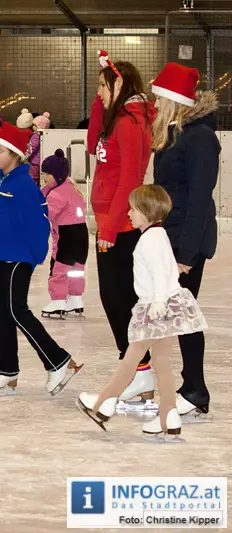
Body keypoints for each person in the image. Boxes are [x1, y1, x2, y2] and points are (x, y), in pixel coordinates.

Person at [77, 185, 207, 439]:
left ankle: (103, 403)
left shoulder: (149, 239)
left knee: (132, 357)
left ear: (146, 212)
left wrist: (157, 301)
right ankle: (168, 415)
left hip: (158, 308)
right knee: (160, 361)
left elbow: (159, 272)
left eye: (134, 209)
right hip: (169, 305)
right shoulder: (158, 235)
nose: (129, 214)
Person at [0, 123, 83, 396]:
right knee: (2, 313)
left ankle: (59, 361)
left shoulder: (24, 184)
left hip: (18, 258)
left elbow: (38, 223)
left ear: (15, 154)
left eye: (0, 150)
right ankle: (6, 369)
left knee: (17, 310)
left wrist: (35, 254)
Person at [151, 63, 219, 423]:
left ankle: (195, 389)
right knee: (178, 316)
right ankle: (189, 386)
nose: (154, 102)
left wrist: (187, 255)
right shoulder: (173, 135)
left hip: (187, 242)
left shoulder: (200, 137)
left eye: (158, 96)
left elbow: (199, 199)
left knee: (184, 316)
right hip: (171, 238)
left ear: (172, 99)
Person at [88, 52, 157, 411]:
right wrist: (103, 102)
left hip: (121, 225)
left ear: (119, 85)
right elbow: (91, 147)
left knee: (120, 300)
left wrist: (111, 228)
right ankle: (136, 373)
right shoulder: (117, 119)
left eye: (102, 86)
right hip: (107, 222)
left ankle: (139, 372)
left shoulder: (131, 124)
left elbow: (130, 179)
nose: (98, 92)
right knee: (112, 299)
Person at [40, 149, 89, 319]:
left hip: (67, 236)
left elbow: (48, 213)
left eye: (47, 174)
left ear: (57, 175)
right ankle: (75, 298)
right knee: (76, 269)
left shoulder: (57, 193)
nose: (44, 177)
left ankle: (58, 301)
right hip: (82, 235)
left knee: (59, 268)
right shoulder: (73, 189)